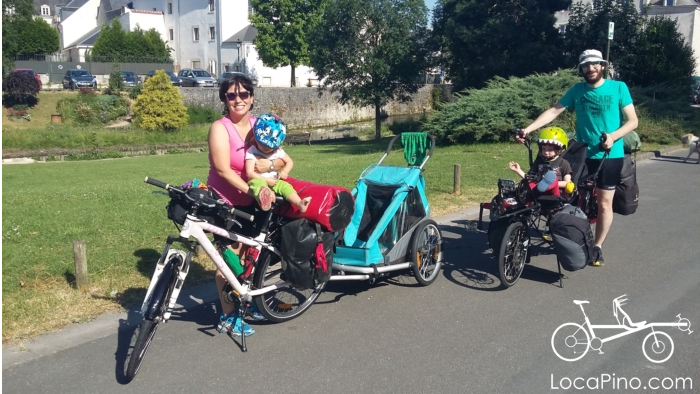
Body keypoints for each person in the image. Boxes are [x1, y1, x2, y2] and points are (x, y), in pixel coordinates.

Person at [517, 49, 639, 266]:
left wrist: (613, 137)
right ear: (581, 69)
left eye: (594, 65)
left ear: (602, 66)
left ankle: (597, 246)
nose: (590, 69)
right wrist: (528, 129)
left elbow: (632, 121)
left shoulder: (618, 88)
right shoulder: (577, 90)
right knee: (567, 193)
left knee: (603, 204)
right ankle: (568, 230)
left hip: (609, 155)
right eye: (585, 65)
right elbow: (554, 111)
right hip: (581, 154)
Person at [207, 74, 287, 336]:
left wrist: (271, 166)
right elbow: (223, 171)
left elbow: (280, 157)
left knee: (248, 256)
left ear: (252, 98)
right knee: (228, 261)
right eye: (231, 95)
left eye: (243, 95)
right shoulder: (220, 128)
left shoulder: (259, 125)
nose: (238, 100)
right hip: (226, 202)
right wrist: (256, 193)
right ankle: (228, 316)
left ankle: (245, 303)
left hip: (253, 203)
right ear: (224, 99)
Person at [245, 113, 312, 212]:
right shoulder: (252, 151)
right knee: (257, 184)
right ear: (255, 138)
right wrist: (267, 181)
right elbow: (249, 173)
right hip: (258, 179)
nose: (267, 150)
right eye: (263, 146)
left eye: (270, 148)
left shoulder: (277, 151)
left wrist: (285, 171)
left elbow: (289, 161)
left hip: (274, 179)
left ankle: (299, 203)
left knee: (286, 187)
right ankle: (264, 198)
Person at [508, 127, 573, 196]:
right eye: (543, 149)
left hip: (555, 195)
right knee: (530, 184)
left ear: (558, 150)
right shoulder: (539, 162)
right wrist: (518, 170)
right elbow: (530, 178)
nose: (546, 152)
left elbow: (567, 183)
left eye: (550, 150)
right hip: (538, 192)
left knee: (551, 181)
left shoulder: (564, 163)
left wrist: (550, 183)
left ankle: (550, 182)